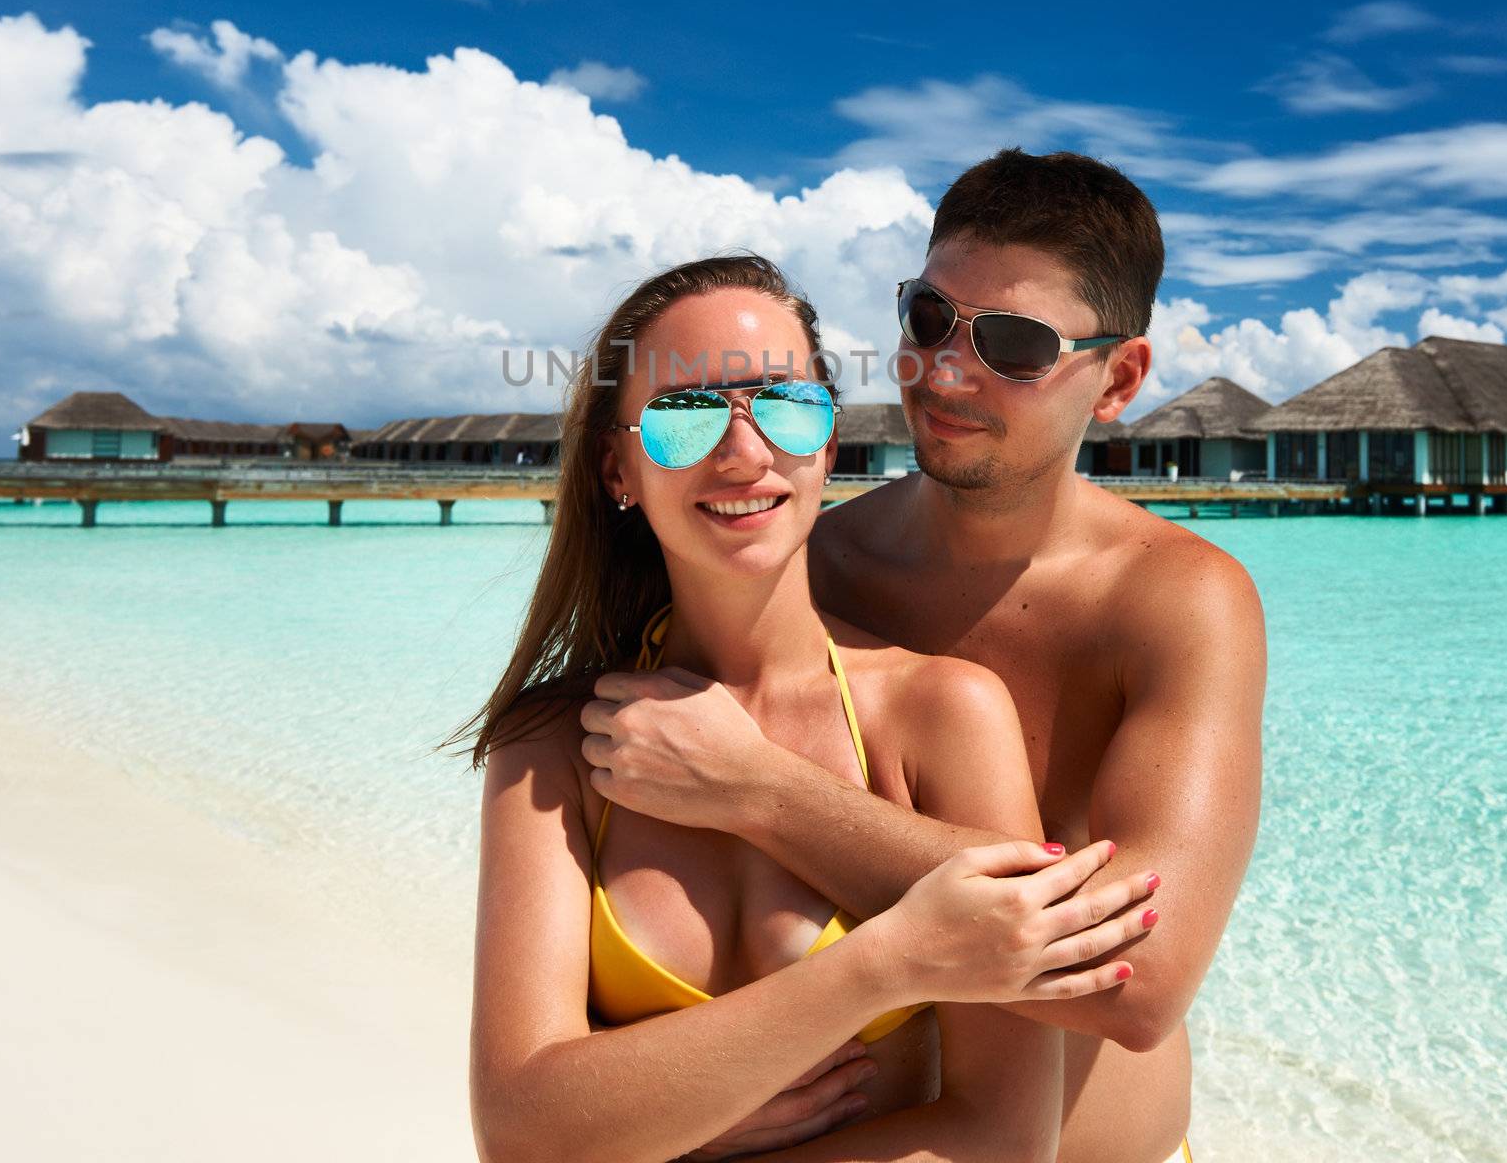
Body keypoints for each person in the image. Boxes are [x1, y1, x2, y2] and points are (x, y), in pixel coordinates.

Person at [580, 150, 1267, 1163]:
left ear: (1117, 378)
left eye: (1016, 345)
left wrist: (761, 790)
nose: (946, 370)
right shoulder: (806, 557)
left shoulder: (1173, 600)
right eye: (930, 320)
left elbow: (1145, 976)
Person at [458, 252, 1165, 1163]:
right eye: (684, 414)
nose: (746, 451)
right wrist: (887, 963)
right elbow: (518, 1130)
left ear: (828, 443)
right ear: (617, 469)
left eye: (786, 406)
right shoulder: (553, 746)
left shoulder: (941, 715)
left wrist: (678, 1136)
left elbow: (1003, 1138)